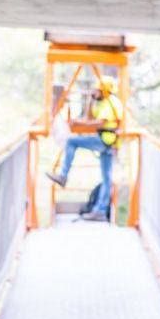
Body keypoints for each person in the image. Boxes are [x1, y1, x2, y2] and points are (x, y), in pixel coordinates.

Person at [46, 79, 123, 222]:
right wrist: (90, 100)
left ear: (104, 90)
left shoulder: (112, 102)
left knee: (71, 142)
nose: (94, 92)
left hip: (106, 140)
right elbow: (90, 118)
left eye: (97, 90)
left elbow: (98, 123)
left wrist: (81, 123)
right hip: (106, 141)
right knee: (107, 178)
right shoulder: (102, 102)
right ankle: (99, 211)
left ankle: (63, 175)